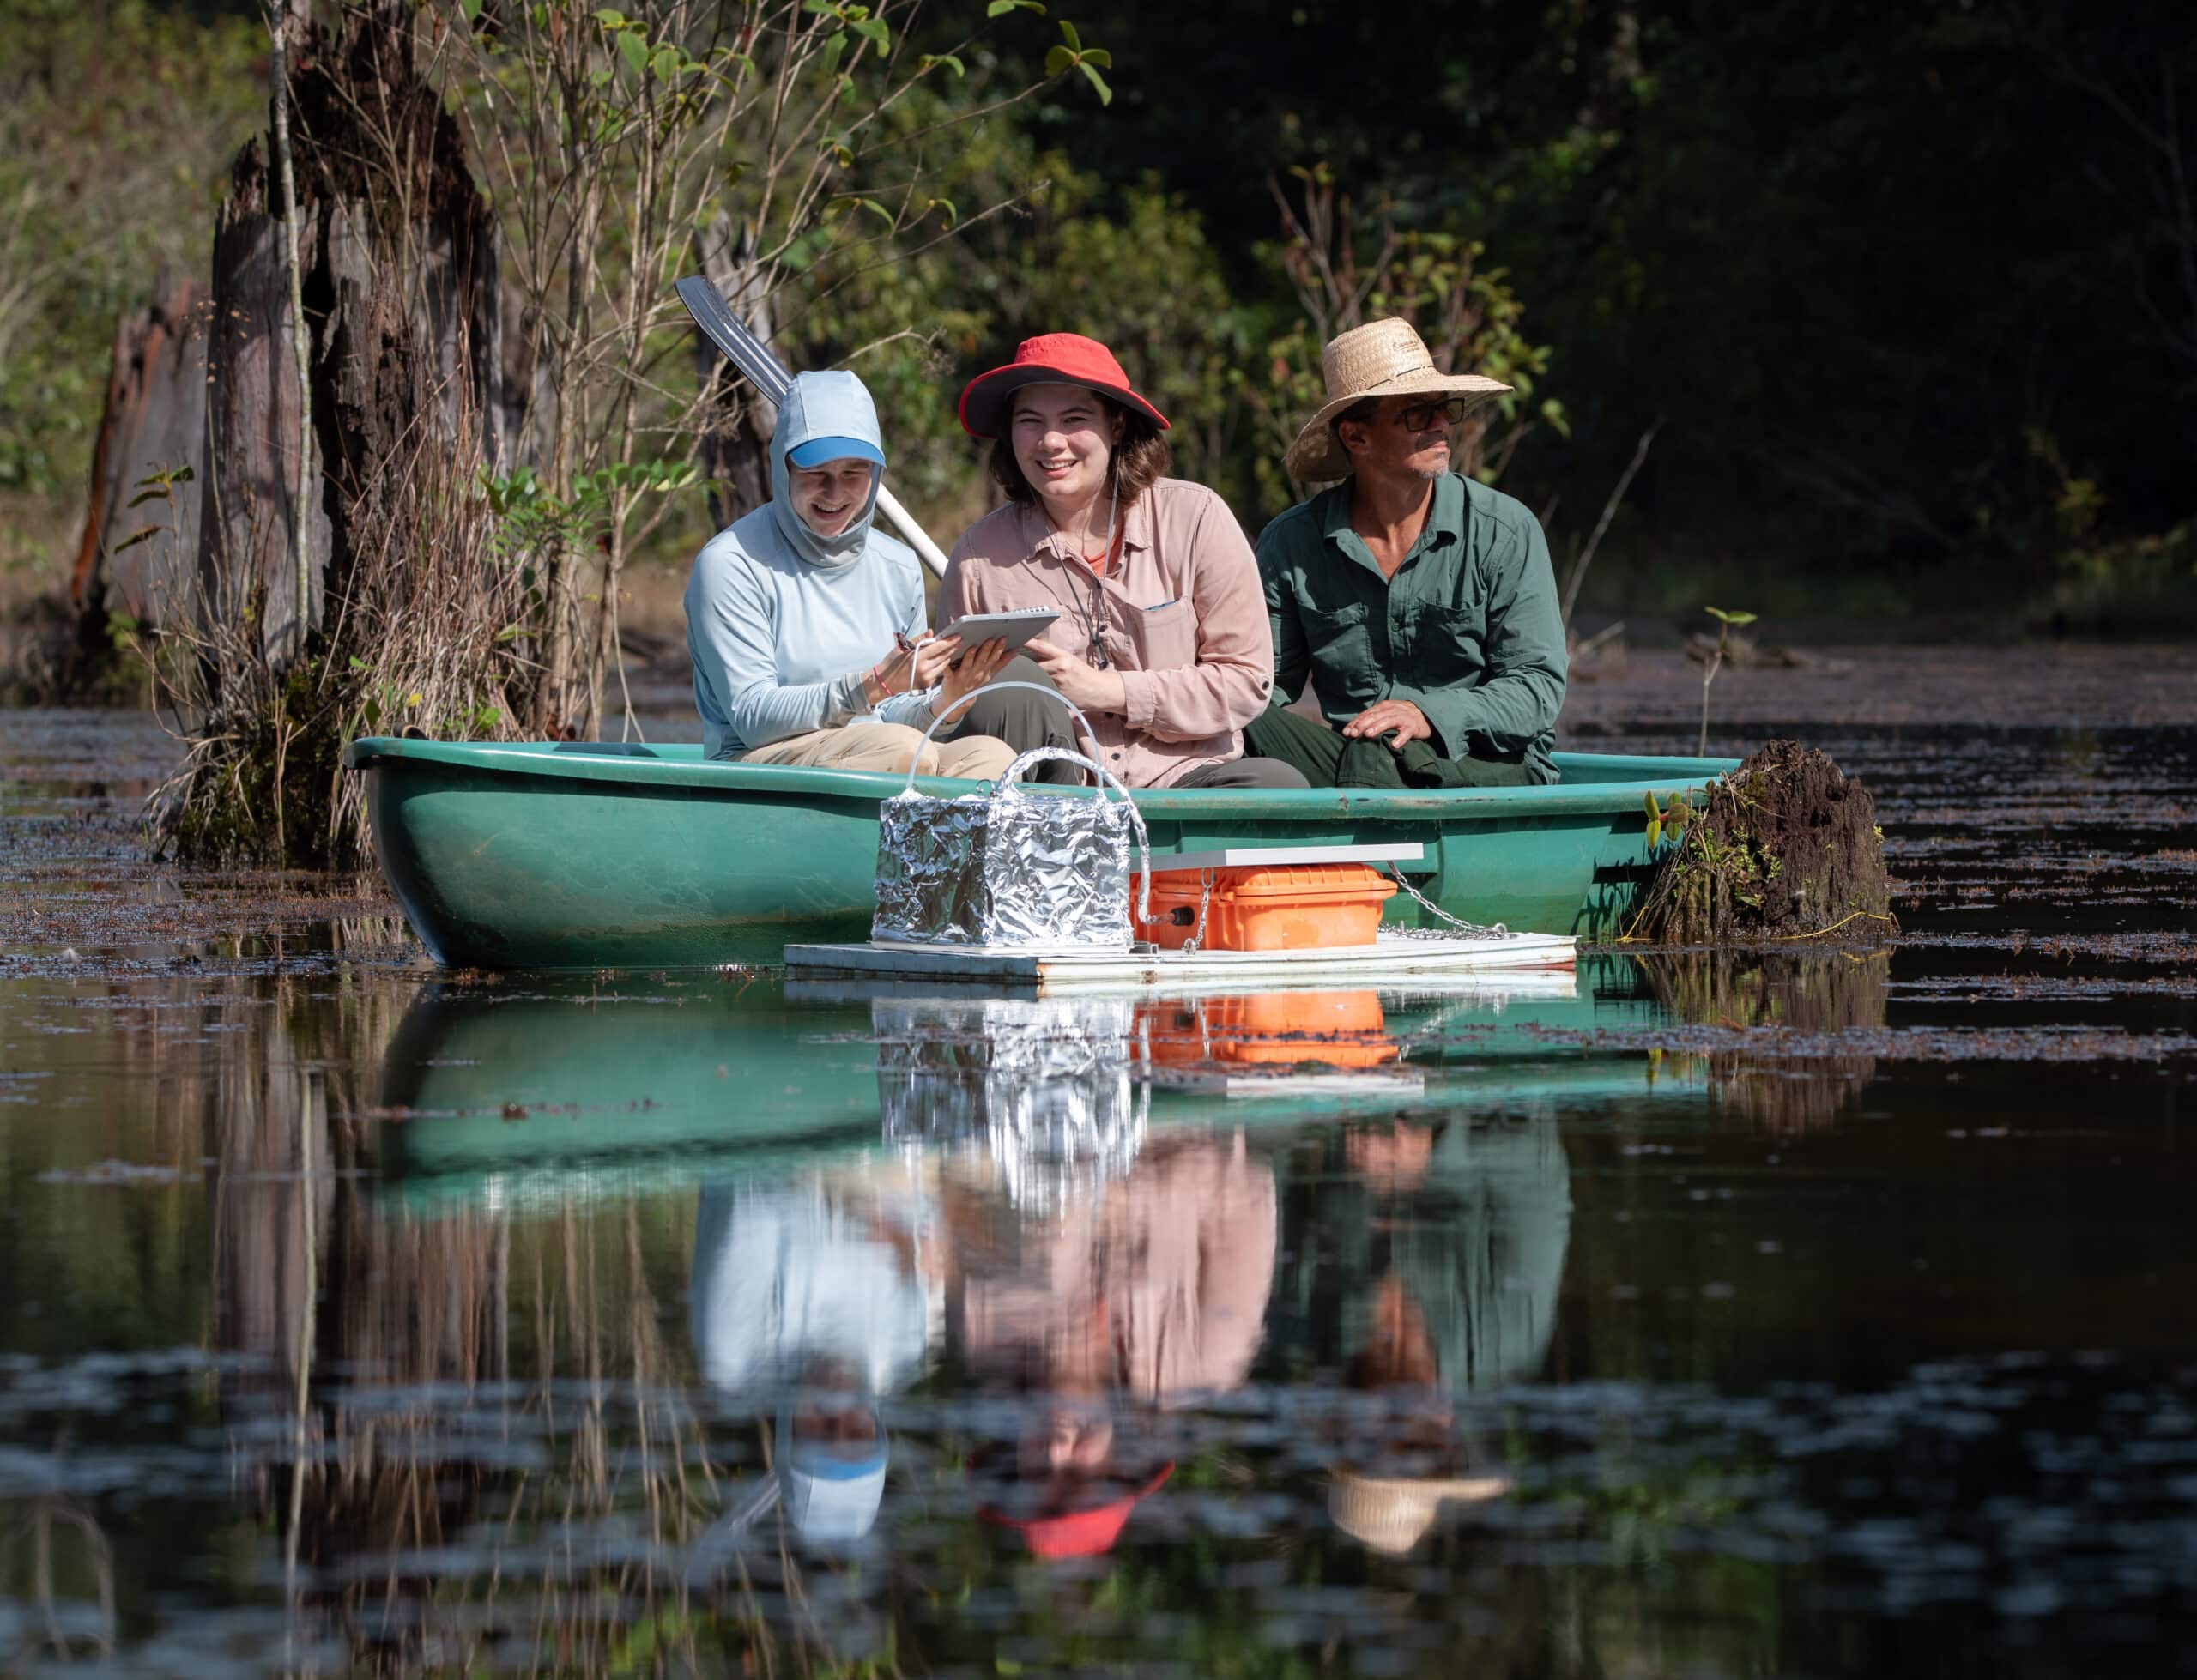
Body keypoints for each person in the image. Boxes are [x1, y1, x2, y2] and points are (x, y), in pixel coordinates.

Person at [943, 334, 1309, 789]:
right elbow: (955, 708)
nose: (1051, 442)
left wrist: (1109, 691)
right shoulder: (978, 556)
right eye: (1029, 421)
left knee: (1278, 784)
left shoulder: (1196, 518)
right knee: (1009, 680)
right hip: (1052, 791)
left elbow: (1245, 682)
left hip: (1184, 780)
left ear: (1116, 426)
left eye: (1074, 419)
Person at [1245, 318, 1569, 789]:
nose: (1440, 425)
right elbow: (1260, 685)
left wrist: (1426, 715)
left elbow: (1536, 687)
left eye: (1444, 409)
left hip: (1486, 764)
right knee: (1230, 711)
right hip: (1356, 758)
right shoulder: (1292, 543)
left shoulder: (1505, 530)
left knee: (1379, 756)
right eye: (1417, 414)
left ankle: (1360, 808)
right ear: (1357, 438)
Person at [684, 367, 1050, 777]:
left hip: (883, 747)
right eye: (815, 474)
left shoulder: (897, 566)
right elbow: (753, 717)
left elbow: (891, 712)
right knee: (901, 749)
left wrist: (947, 702)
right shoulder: (731, 564)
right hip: (758, 762)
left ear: (876, 475)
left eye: (853, 474)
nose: (835, 493)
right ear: (782, 467)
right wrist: (868, 686)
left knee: (992, 757)